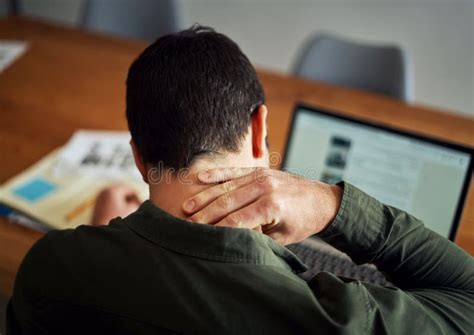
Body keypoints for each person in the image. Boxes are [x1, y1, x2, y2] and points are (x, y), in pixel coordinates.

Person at [7, 25, 474, 334]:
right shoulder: (342, 318)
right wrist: (333, 203)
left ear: (138, 157)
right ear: (258, 129)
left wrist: (100, 237)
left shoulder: (52, 268)